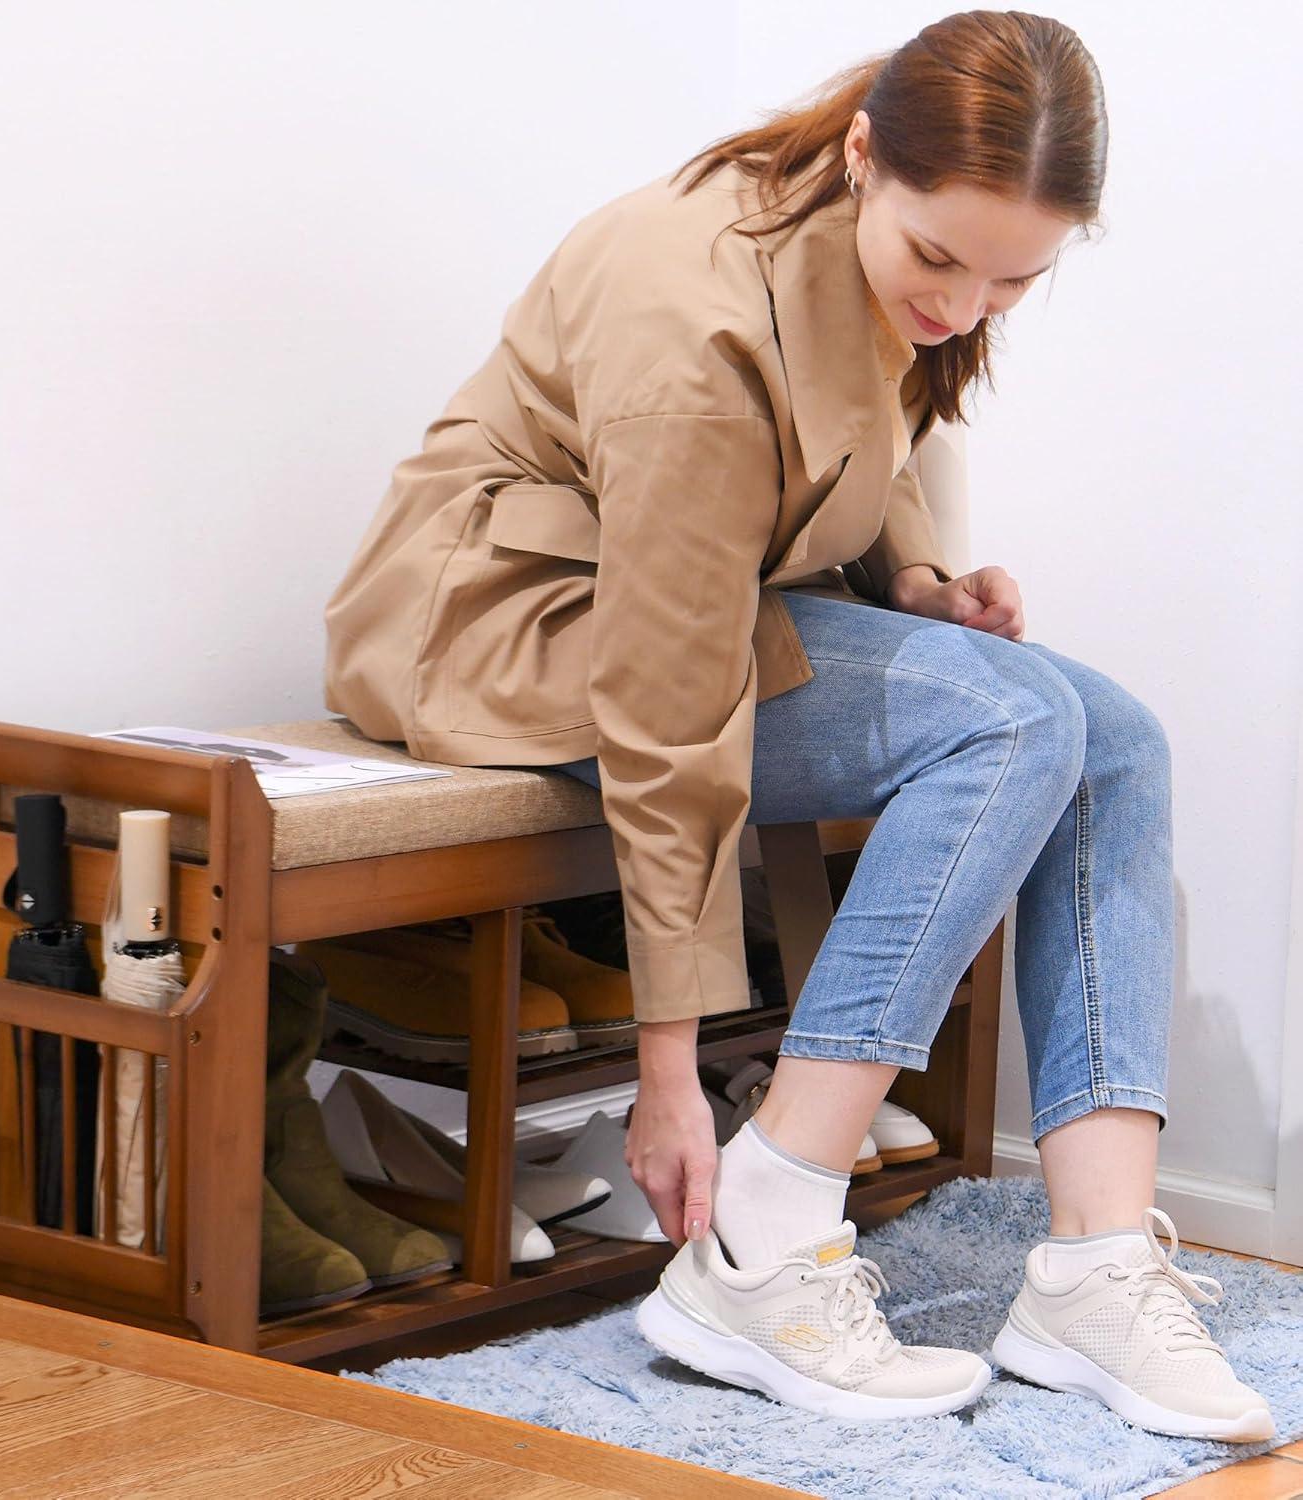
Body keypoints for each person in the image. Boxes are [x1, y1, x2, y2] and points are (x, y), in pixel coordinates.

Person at [321, 9, 1274, 1441]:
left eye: (1014, 278)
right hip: (513, 627)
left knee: (1116, 732)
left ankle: (1096, 1264)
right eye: (937, 258)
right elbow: (665, 705)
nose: (962, 304)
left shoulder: (884, 266)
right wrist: (668, 1070)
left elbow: (846, 439)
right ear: (862, 155)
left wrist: (915, 584)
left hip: (695, 607)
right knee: (1012, 724)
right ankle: (764, 1239)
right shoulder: (691, 313)